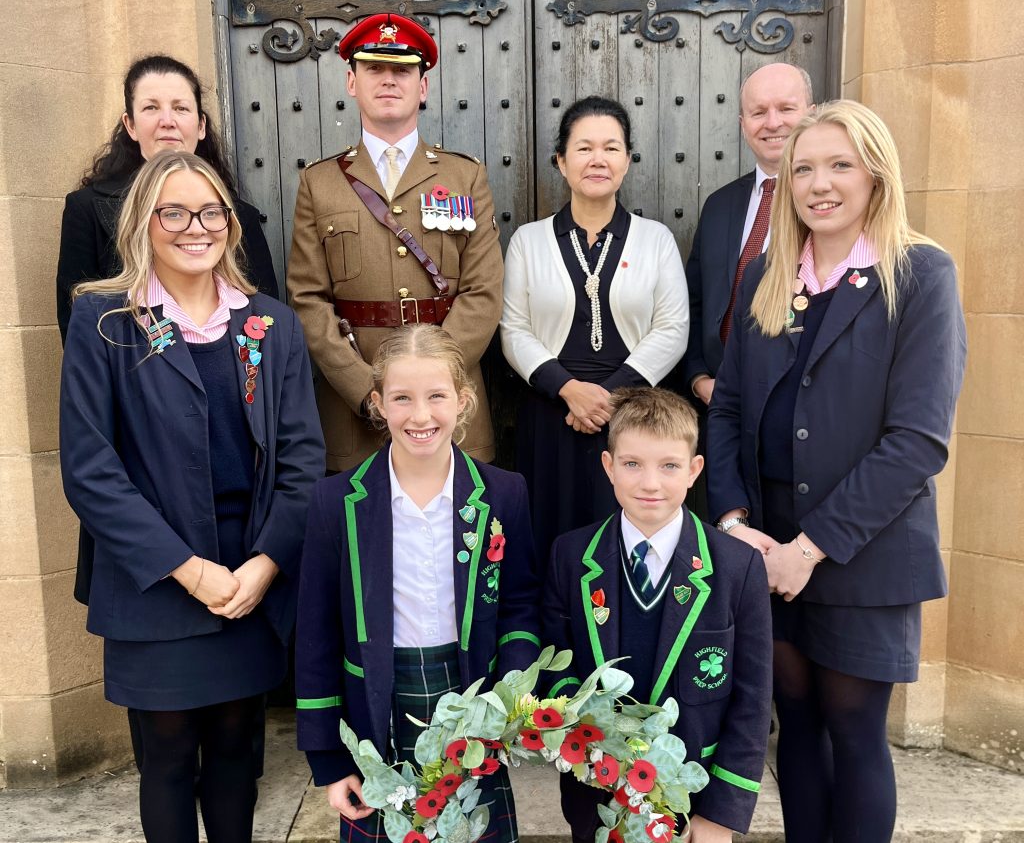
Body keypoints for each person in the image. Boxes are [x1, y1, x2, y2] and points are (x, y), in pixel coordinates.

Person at [707, 100, 967, 843]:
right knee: (797, 727)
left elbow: (918, 440)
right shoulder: (766, 274)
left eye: (840, 165)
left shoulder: (920, 273)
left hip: (861, 547)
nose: (820, 184)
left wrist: (809, 548)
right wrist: (735, 526)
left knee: (853, 730)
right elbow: (725, 409)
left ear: (876, 174)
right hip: (769, 548)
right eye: (805, 168)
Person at [59, 150, 325, 843]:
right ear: (143, 222)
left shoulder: (271, 325)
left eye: (210, 211)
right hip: (157, 585)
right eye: (172, 211)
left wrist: (263, 565)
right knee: (169, 758)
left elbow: (302, 461)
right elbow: (91, 470)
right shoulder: (104, 322)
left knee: (240, 753)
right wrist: (188, 568)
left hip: (248, 580)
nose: (194, 226)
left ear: (230, 225)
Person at [294, 324, 541, 843]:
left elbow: (520, 604)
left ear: (464, 400)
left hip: (475, 702)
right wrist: (327, 760)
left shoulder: (504, 494)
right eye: (402, 398)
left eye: (436, 396)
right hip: (377, 711)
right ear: (378, 404)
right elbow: (316, 635)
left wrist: (510, 696)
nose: (421, 415)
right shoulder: (336, 503)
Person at [544, 387, 772, 843]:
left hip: (695, 800)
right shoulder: (570, 557)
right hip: (598, 795)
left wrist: (722, 816)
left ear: (694, 471)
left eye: (669, 466)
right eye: (632, 464)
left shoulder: (736, 566)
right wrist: (587, 745)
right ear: (608, 467)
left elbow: (752, 701)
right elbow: (558, 670)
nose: (651, 483)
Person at [288, 13, 504, 472]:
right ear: (352, 81)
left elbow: (483, 293)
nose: (389, 80)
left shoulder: (464, 176)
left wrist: (432, 387)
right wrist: (365, 390)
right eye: (374, 69)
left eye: (403, 70)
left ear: (422, 87)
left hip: (450, 410)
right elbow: (308, 300)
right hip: (356, 411)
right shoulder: (319, 183)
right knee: (361, 537)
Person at [500, 96, 688, 565]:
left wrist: (606, 397)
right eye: (584, 148)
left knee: (626, 538)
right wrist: (568, 390)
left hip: (631, 416)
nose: (598, 159)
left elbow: (672, 328)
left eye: (611, 147)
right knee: (549, 537)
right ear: (562, 162)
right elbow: (514, 329)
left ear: (627, 160)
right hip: (551, 412)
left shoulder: (655, 239)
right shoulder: (529, 239)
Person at [57, 54, 278, 345]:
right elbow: (79, 334)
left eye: (180, 108)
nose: (167, 121)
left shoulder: (239, 216)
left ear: (200, 125)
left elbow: (263, 320)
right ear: (131, 124)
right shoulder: (85, 208)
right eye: (151, 107)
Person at [681, 63, 813, 470]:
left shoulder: (830, 206)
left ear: (812, 112)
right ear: (742, 123)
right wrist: (699, 377)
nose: (772, 123)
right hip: (717, 413)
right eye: (758, 112)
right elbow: (695, 304)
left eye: (786, 109)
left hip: (797, 420)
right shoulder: (720, 205)